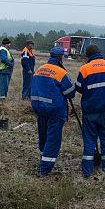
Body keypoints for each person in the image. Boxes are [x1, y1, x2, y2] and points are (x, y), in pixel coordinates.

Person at [75, 44, 105, 177]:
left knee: (89, 140)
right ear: (100, 53)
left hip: (90, 111)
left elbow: (78, 87)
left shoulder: (85, 69)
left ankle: (87, 172)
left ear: (88, 56)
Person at [30, 46, 75, 176]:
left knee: (43, 135)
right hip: (55, 110)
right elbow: (70, 93)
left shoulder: (39, 69)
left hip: (39, 108)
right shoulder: (61, 73)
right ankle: (44, 169)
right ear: (60, 58)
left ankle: (43, 156)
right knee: (53, 139)